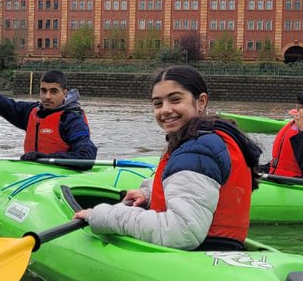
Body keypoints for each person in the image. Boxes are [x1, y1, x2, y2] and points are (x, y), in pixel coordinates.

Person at [73, 65, 260, 251]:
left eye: (175, 100)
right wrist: (150, 194)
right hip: (221, 248)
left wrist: (105, 216)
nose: (165, 110)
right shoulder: (207, 139)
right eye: (158, 103)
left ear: (201, 101)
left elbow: (181, 232)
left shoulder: (198, 149)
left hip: (200, 254)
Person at [0, 66, 97, 161]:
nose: (47, 96)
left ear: (64, 93)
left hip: (62, 177)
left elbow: (86, 155)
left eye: (54, 91)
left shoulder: (72, 119)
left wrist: (43, 157)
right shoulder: (31, 112)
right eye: (43, 91)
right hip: (35, 174)